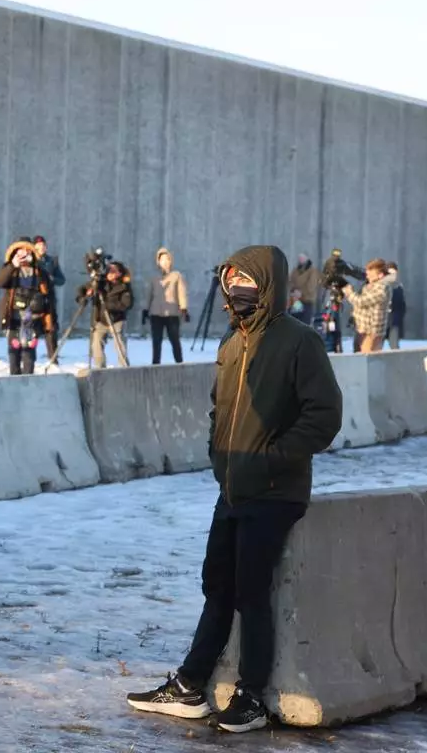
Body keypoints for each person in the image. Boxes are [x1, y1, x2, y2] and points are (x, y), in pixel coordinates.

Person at [126, 245, 342, 733]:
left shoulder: (298, 342)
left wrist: (271, 459)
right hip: (233, 490)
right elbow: (218, 411)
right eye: (230, 280)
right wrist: (219, 459)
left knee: (250, 593)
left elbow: (324, 416)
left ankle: (251, 697)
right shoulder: (232, 342)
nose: (234, 290)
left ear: (265, 284)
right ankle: (188, 686)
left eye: (245, 280)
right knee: (217, 587)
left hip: (274, 492)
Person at [0, 239, 52, 375]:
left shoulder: (39, 271)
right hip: (13, 314)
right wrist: (12, 265)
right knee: (14, 348)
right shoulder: (10, 269)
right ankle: (14, 376)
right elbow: (0, 282)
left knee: (29, 350)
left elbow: (48, 292)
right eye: (20, 253)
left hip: (32, 316)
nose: (24, 256)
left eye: (27, 252)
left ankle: (28, 376)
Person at [76, 260, 133, 368]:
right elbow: (82, 289)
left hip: (117, 320)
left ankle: (124, 367)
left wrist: (108, 305)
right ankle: (100, 368)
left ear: (119, 273)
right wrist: (82, 298)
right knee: (96, 345)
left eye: (113, 270)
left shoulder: (124, 286)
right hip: (100, 319)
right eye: (108, 270)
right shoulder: (100, 283)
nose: (110, 273)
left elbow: (127, 304)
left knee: (119, 345)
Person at [142, 247, 189, 364]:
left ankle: (179, 363)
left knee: (174, 340)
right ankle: (155, 364)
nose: (165, 262)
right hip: (156, 313)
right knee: (156, 341)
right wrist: (145, 309)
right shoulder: (153, 277)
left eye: (167, 259)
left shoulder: (176, 275)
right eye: (162, 260)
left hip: (172, 314)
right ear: (158, 261)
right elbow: (149, 294)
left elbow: (181, 293)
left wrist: (184, 308)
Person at [341, 258, 391, 353]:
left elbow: (360, 301)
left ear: (380, 275)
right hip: (361, 330)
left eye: (370, 271)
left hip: (371, 333)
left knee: (366, 362)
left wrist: (348, 291)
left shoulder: (381, 289)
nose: (367, 274)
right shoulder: (369, 286)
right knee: (358, 358)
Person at [33, 236, 66, 359]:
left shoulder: (52, 261)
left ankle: (53, 358)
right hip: (33, 300)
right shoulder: (30, 260)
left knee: (51, 330)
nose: (42, 248)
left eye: (43, 245)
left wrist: (52, 279)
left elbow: (62, 280)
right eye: (39, 245)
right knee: (32, 331)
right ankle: (30, 359)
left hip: (49, 300)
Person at [287, 253, 319, 326]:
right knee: (293, 322)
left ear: (307, 259)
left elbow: (311, 285)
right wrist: (294, 291)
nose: (300, 260)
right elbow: (290, 282)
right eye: (299, 258)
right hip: (295, 300)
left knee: (305, 324)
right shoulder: (295, 270)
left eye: (302, 258)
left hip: (306, 300)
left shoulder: (312, 271)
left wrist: (301, 293)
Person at [383, 262, 405, 349]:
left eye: (394, 273)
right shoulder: (381, 285)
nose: (392, 276)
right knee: (376, 347)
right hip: (381, 321)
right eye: (390, 273)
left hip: (394, 322)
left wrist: (399, 318)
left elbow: (402, 305)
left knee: (394, 346)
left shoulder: (399, 286)